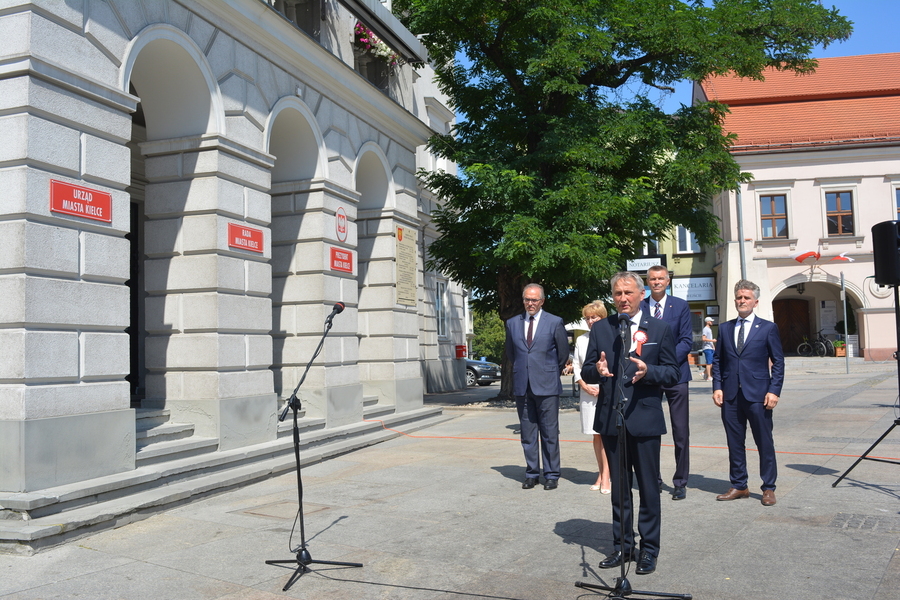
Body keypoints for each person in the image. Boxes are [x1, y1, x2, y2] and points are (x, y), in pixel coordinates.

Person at [581, 272, 679, 575]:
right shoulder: (602, 329)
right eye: (617, 293)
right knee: (620, 490)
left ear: (640, 294)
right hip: (613, 419)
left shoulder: (660, 329)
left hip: (646, 419)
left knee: (649, 489)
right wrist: (597, 371)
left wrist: (649, 371)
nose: (623, 298)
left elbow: (673, 373)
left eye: (628, 293)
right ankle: (623, 546)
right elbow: (587, 371)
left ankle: (649, 549)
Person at [712, 279, 785, 507]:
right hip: (731, 396)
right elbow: (718, 361)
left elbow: (779, 362)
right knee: (734, 443)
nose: (742, 301)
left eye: (746, 298)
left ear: (755, 302)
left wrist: (774, 390)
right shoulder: (724, 328)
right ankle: (739, 485)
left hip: (758, 395)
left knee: (764, 442)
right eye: (738, 297)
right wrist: (717, 386)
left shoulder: (767, 328)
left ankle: (768, 487)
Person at [505, 283, 569, 490]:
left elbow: (562, 354)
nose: (530, 303)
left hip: (547, 385)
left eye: (534, 300)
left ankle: (551, 474)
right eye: (527, 299)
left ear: (542, 301)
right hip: (523, 386)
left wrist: (547, 371)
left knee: (549, 432)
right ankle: (531, 473)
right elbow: (511, 353)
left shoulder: (555, 322)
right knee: (528, 433)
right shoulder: (513, 323)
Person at [640, 265, 693, 501]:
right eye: (652, 279)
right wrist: (651, 366)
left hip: (676, 375)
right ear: (647, 282)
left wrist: (665, 362)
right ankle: (654, 479)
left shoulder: (680, 306)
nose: (657, 282)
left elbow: (686, 340)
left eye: (661, 278)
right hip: (648, 375)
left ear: (668, 281)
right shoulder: (640, 307)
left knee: (680, 431)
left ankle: (680, 481)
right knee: (650, 430)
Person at [572, 300, 611, 493]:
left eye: (594, 317)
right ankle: (601, 473)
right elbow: (577, 367)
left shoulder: (610, 337)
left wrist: (602, 387)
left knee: (607, 435)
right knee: (596, 436)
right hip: (587, 392)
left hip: (606, 390)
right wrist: (585, 386)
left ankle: (607, 477)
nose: (590, 321)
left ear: (602, 317)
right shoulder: (581, 340)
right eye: (587, 318)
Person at [702, 317, 716, 381]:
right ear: (707, 322)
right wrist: (712, 340)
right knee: (709, 363)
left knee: (712, 362)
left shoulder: (709, 329)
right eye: (711, 321)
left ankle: (703, 373)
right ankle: (709, 376)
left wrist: (713, 346)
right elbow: (703, 338)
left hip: (710, 348)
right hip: (707, 348)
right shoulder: (705, 329)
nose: (712, 322)